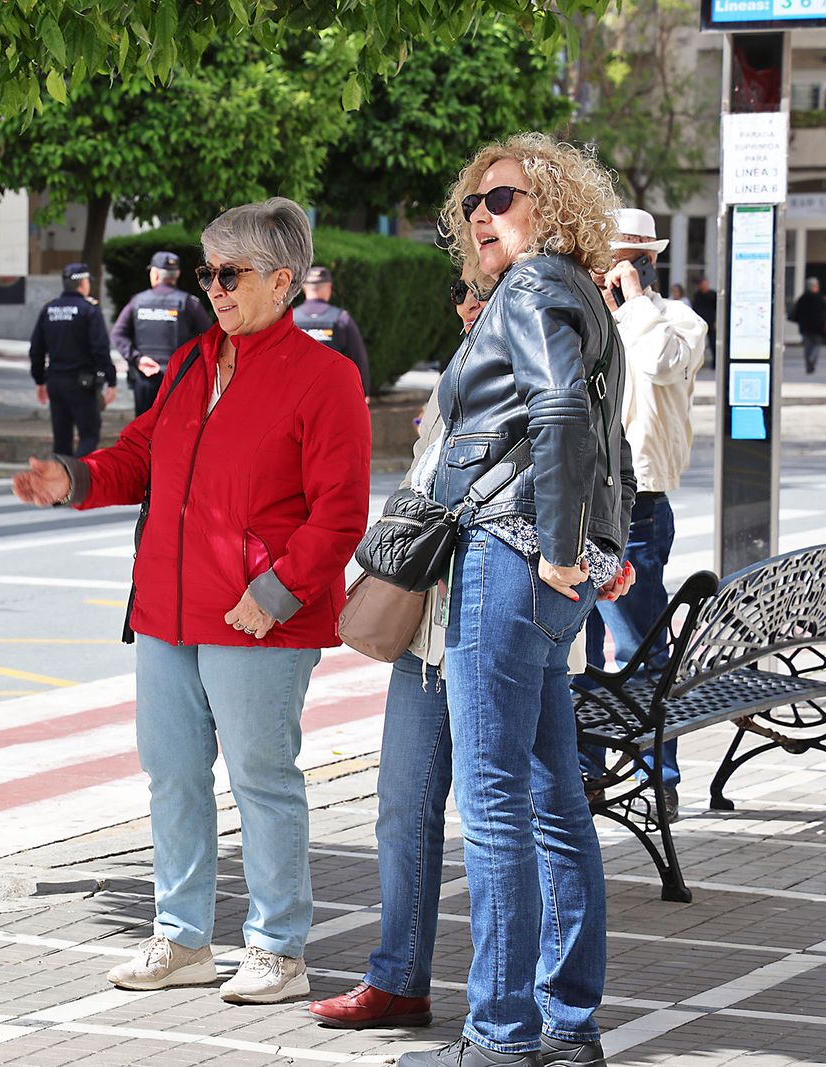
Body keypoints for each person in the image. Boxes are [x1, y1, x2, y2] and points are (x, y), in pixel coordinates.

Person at [12, 198, 371, 1006]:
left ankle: (279, 949)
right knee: (172, 776)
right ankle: (182, 939)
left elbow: (341, 511)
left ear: (282, 280)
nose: (214, 285)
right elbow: (140, 457)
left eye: (230, 272)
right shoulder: (190, 363)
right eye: (208, 270)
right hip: (168, 611)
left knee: (261, 780)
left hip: (256, 617)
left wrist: (276, 591)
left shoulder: (325, 376)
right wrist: (74, 478)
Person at [309, 270, 633, 1035]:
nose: (471, 301)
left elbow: (600, 456)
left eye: (488, 289)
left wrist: (577, 551)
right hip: (431, 631)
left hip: (495, 618)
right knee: (408, 807)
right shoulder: (467, 375)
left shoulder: (549, 359)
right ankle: (409, 979)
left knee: (507, 809)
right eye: (461, 288)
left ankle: (512, 1027)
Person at [394, 134, 634, 1067]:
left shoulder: (533, 289)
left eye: (502, 197)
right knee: (552, 799)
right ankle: (568, 1026)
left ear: (553, 204)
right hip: (544, 567)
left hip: (511, 556)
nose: (481, 217)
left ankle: (498, 1038)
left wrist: (561, 546)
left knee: (495, 801)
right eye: (472, 206)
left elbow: (563, 413)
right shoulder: (574, 292)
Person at [584, 207, 707, 822]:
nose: (610, 269)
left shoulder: (677, 321)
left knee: (639, 650)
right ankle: (585, 772)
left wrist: (632, 296)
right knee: (581, 652)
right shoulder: (587, 318)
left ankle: (660, 779)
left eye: (624, 259)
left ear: (648, 260)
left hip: (639, 508)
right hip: (578, 504)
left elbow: (657, 362)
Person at [28, 263, 117, 457]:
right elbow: (100, 349)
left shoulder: (49, 309)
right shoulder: (89, 310)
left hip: (56, 382)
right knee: (89, 436)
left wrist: (40, 380)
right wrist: (111, 380)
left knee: (61, 441)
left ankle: (63, 483)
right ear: (82, 283)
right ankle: (78, 482)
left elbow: (36, 349)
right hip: (81, 384)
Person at [111, 250, 213, 415]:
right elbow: (210, 338)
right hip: (179, 380)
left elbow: (118, 334)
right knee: (177, 431)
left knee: (144, 433)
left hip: (146, 379)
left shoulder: (137, 302)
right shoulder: (188, 303)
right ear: (177, 274)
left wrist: (138, 359)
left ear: (155, 274)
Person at [293, 265, 371, 395]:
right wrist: (364, 392)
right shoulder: (341, 319)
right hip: (331, 393)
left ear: (304, 287)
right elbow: (358, 357)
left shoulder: (291, 319)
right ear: (329, 288)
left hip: (296, 392)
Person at [792, 276, 825, 374]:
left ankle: (808, 365)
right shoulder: (820, 298)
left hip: (805, 327)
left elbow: (796, 313)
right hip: (818, 327)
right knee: (816, 346)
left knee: (807, 347)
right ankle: (812, 359)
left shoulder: (802, 299)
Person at [691, 276, 718, 357]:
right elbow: (695, 308)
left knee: (713, 342)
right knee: (698, 342)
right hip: (700, 322)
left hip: (711, 322)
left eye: (704, 284)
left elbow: (717, 309)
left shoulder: (713, 295)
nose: (703, 286)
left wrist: (717, 321)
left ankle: (715, 361)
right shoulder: (697, 295)